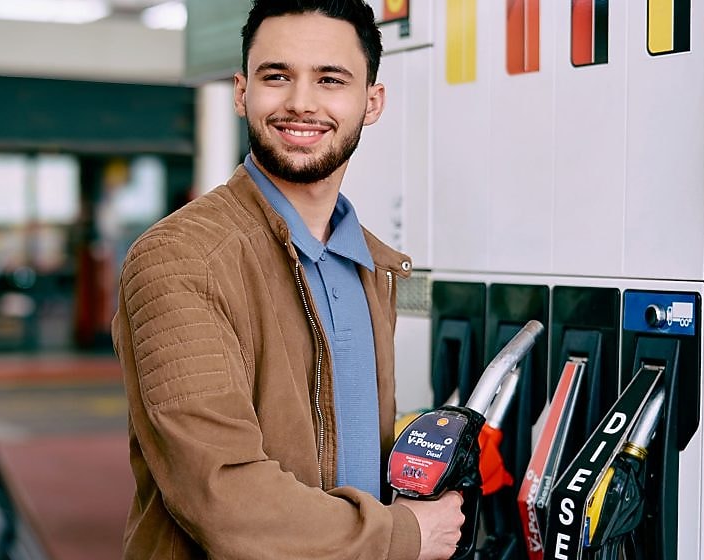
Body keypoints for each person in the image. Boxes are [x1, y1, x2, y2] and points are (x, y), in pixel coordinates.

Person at [111, 1, 466, 558]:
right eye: (277, 76)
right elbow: (223, 495)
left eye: (330, 79)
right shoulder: (180, 259)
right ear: (241, 92)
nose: (301, 103)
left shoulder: (370, 266)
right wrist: (408, 534)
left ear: (371, 102)